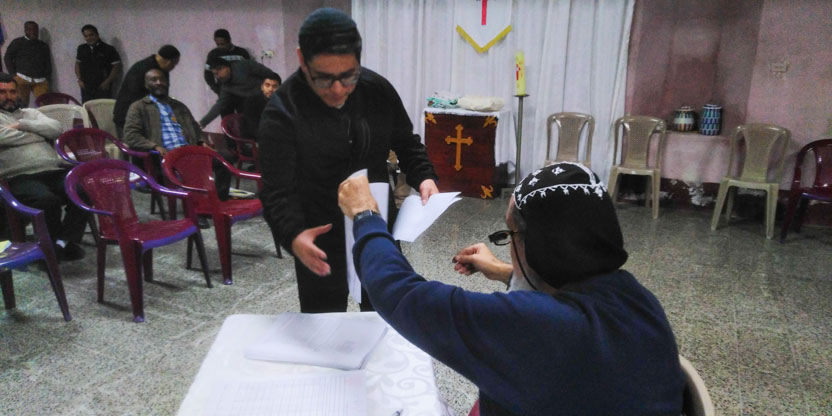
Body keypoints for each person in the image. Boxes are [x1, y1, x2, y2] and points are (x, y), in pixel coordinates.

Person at [338, 162, 685, 415]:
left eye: (511, 235)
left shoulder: (539, 326)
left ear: (539, 246)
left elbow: (400, 294)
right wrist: (507, 272)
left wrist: (366, 216)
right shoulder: (638, 299)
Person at [257, 8, 439, 313]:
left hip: (376, 224)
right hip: (319, 232)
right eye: (323, 79)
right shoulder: (282, 112)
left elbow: (407, 142)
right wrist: (294, 234)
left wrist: (425, 177)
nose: (338, 89)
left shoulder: (376, 90)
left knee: (383, 314)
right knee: (325, 322)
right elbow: (277, 191)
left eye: (348, 76)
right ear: (302, 59)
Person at [0, 73, 86, 261]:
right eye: (3, 92)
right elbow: (2, 137)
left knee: (83, 188)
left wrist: (21, 125)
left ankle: (63, 242)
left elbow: (56, 128)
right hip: (19, 176)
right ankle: (50, 247)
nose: (9, 96)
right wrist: (39, 133)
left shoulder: (30, 113)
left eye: (12, 92)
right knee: (47, 200)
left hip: (53, 170)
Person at [123, 69, 232, 201]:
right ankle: (198, 204)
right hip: (166, 155)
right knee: (192, 166)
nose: (159, 82)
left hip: (189, 150)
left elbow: (194, 127)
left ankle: (219, 200)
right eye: (153, 80)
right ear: (146, 85)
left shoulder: (179, 106)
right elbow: (130, 135)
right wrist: (154, 146)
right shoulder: (139, 107)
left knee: (224, 156)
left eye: (162, 79)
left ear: (168, 82)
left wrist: (202, 141)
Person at [112, 45, 180, 137]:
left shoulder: (162, 69)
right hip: (128, 117)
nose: (173, 68)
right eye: (174, 64)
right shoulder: (142, 69)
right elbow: (135, 96)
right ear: (168, 62)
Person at [198, 57, 281, 128]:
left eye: (218, 73)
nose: (217, 77)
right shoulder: (225, 86)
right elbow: (219, 105)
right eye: (215, 74)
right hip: (253, 105)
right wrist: (203, 123)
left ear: (225, 67)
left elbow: (270, 75)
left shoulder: (243, 66)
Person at [3, 21, 51, 107]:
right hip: (22, 78)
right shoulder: (17, 42)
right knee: (22, 105)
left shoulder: (43, 45)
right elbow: (8, 57)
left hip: (40, 80)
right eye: (31, 29)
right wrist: (13, 75)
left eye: (36, 30)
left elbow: (48, 63)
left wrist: (47, 78)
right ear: (26, 31)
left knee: (44, 106)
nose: (34, 32)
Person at [74, 24, 122, 103]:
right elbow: (77, 64)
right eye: (86, 36)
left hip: (102, 86)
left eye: (91, 35)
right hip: (86, 87)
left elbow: (116, 66)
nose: (89, 38)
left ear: (97, 35)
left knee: (103, 108)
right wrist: (79, 80)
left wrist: (108, 82)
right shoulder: (82, 48)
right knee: (87, 108)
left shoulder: (108, 49)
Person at [203, 29, 251, 96]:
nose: (220, 47)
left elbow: (250, 71)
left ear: (229, 40)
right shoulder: (213, 54)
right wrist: (217, 90)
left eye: (222, 44)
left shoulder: (242, 53)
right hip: (225, 93)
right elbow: (207, 75)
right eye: (218, 44)